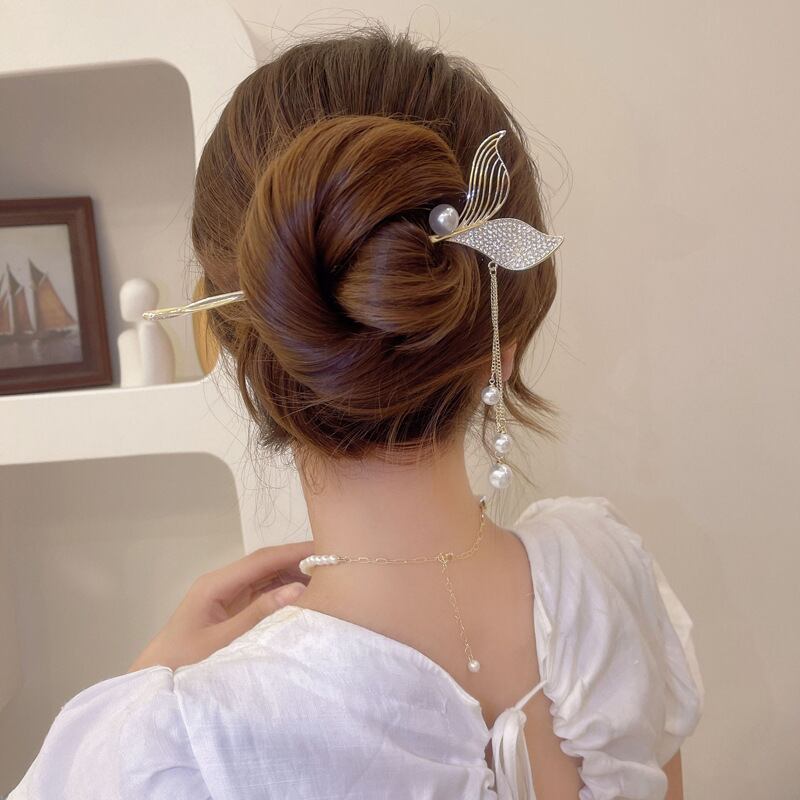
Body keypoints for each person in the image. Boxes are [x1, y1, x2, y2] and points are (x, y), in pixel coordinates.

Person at [8, 23, 704, 799]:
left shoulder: (186, 750)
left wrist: (134, 713)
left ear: (242, 344)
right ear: (504, 340)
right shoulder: (607, 580)